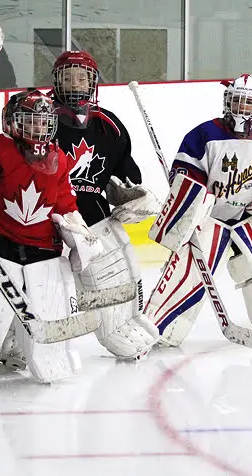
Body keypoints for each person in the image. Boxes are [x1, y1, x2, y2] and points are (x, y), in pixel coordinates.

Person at [145, 74, 252, 346]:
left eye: (248, 104)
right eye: (236, 102)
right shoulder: (205, 135)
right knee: (186, 271)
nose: (241, 109)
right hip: (210, 218)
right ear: (227, 102)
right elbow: (186, 174)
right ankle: (160, 326)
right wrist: (192, 195)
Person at [0, 89, 99, 383]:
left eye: (43, 122)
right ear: (13, 121)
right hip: (1, 247)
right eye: (31, 121)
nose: (38, 128)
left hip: (44, 250)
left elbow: (66, 204)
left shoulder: (60, 159)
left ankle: (45, 357)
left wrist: (79, 237)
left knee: (49, 314)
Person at [49, 50, 160, 359]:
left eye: (81, 78)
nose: (75, 84)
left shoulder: (108, 126)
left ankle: (125, 323)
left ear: (93, 82)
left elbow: (124, 176)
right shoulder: (39, 118)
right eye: (68, 78)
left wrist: (134, 195)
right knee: (41, 286)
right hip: (46, 219)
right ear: (56, 81)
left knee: (121, 263)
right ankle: (11, 342)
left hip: (92, 216)